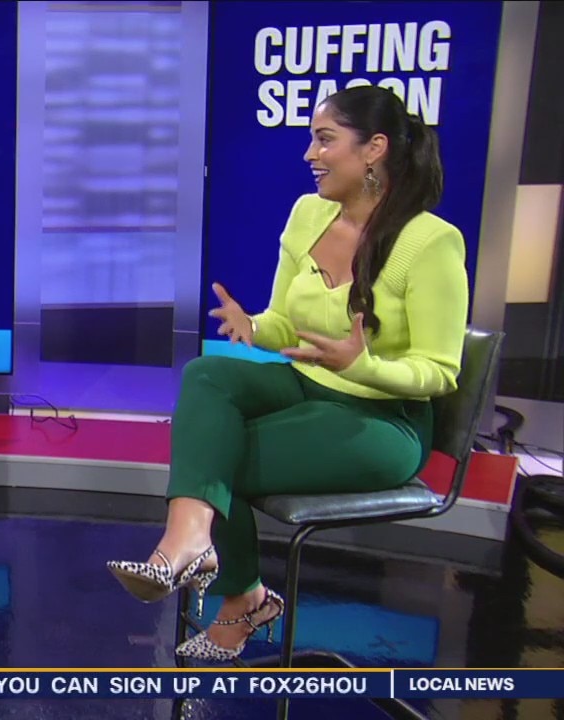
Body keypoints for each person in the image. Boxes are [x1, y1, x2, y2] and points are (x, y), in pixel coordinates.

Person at [106, 85, 468, 661]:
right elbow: (284, 322)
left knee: (214, 456)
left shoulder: (431, 242)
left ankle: (238, 593)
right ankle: (192, 543)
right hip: (308, 386)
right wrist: (253, 325)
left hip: (383, 422)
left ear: (374, 149)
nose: (310, 154)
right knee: (207, 375)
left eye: (325, 140)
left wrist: (365, 365)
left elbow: (440, 372)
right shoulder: (308, 214)